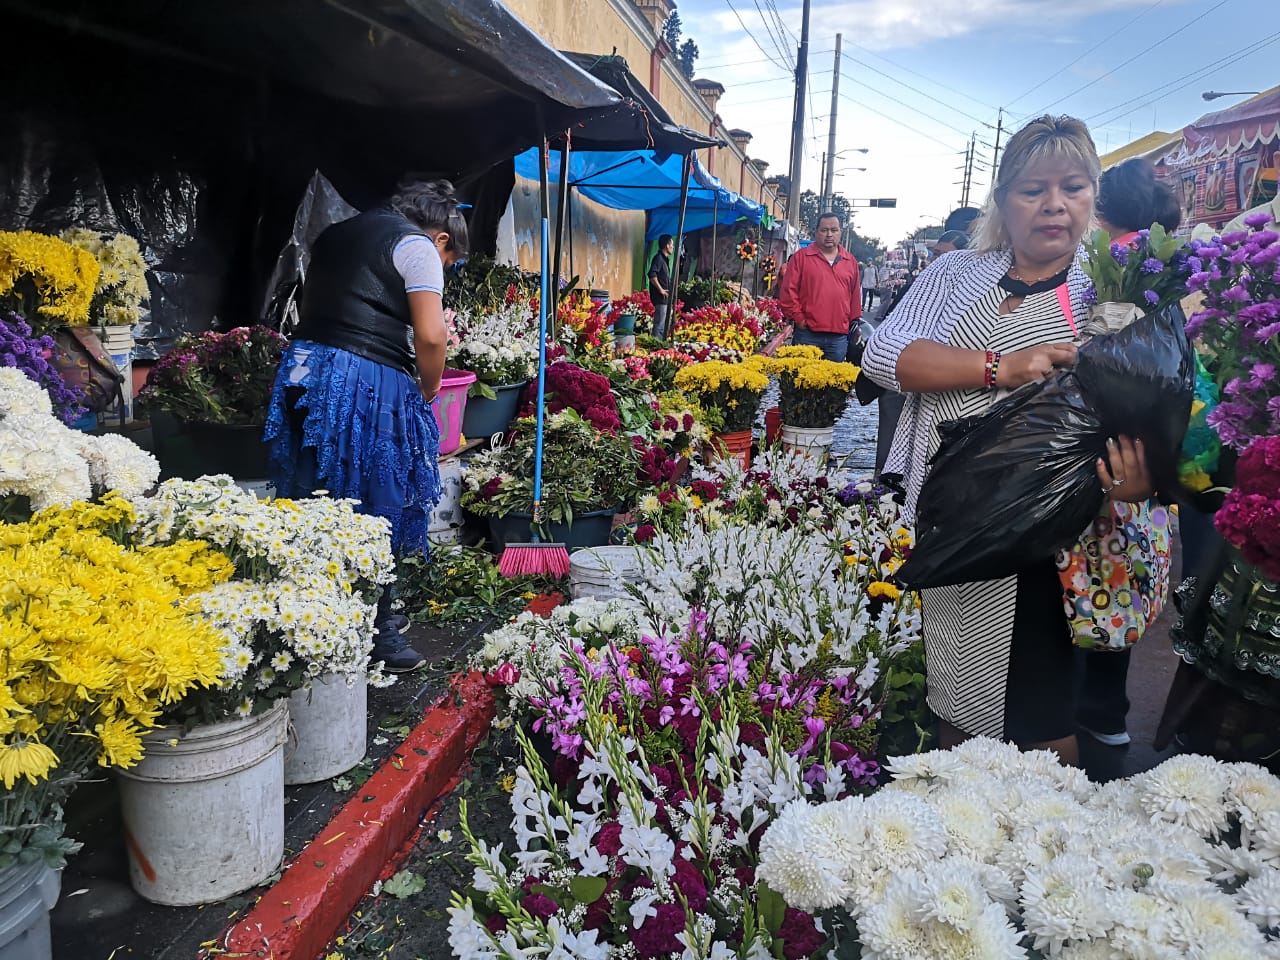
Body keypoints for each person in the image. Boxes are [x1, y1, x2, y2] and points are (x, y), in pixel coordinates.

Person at [862, 115, 1153, 764]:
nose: (1054, 205)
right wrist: (1002, 366)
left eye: (1073, 187)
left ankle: (1037, 847)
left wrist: (1142, 480)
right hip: (947, 524)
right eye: (1032, 189)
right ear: (1002, 200)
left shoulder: (1105, 287)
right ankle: (963, 838)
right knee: (954, 692)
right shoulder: (958, 273)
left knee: (1037, 719)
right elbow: (883, 354)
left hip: (1043, 538)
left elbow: (1147, 411)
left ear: (1093, 195)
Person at [263, 179, 468, 672]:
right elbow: (432, 335)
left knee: (314, 494)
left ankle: (307, 620)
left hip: (304, 369)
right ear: (442, 239)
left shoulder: (336, 233)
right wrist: (429, 387)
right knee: (377, 499)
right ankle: (379, 634)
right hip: (363, 377)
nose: (445, 270)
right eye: (452, 263)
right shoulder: (417, 246)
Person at [1073, 156, 1184, 748]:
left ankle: (1089, 708)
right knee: (1121, 575)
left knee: (1090, 572)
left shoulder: (1113, 273)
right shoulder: (1171, 276)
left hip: (1106, 460)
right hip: (1147, 468)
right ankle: (1106, 709)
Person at [779, 211, 862, 362]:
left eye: (834, 230)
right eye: (824, 230)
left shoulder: (850, 261)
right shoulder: (801, 258)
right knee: (802, 382)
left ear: (840, 232)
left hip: (838, 338)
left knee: (834, 383)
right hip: (807, 334)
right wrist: (799, 319)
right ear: (816, 232)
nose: (829, 234)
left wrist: (851, 323)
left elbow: (855, 296)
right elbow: (788, 292)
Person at [648, 235, 674, 339]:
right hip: (660, 298)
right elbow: (652, 275)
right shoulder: (658, 258)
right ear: (667, 246)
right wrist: (661, 290)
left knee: (663, 325)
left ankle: (661, 347)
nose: (673, 247)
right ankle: (655, 347)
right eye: (672, 244)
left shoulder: (665, 260)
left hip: (665, 298)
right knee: (659, 325)